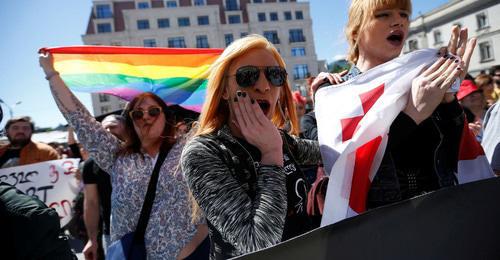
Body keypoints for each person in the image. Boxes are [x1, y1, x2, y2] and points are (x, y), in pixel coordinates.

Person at [39, 53, 209, 259]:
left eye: (153, 111)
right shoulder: (117, 157)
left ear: (166, 116)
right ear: (130, 122)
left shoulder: (189, 148)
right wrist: (51, 74)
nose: (145, 117)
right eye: (138, 113)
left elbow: (219, 115)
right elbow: (79, 118)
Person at [311, 0, 476, 209]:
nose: (398, 21)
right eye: (384, 15)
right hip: (382, 228)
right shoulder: (333, 93)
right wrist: (413, 115)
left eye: (404, 15)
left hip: (442, 213)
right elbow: (347, 172)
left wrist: (447, 100)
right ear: (355, 31)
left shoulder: (422, 80)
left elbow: (457, 157)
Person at [181, 34, 321, 259]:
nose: (264, 86)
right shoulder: (203, 152)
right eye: (248, 76)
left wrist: (333, 91)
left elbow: (335, 150)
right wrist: (271, 154)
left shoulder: (280, 139)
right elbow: (257, 243)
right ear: (225, 90)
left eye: (275, 75)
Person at [82, 114, 127, 260]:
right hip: (112, 235)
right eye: (104, 128)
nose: (107, 131)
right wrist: (92, 239)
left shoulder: (142, 156)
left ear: (127, 129)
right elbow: (91, 203)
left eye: (113, 126)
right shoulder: (91, 164)